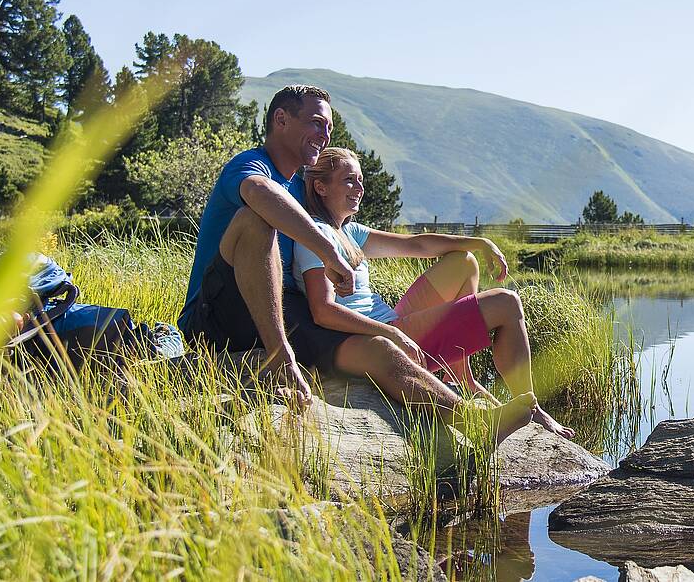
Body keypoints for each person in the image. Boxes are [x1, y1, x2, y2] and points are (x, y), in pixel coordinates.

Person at [177, 85, 534, 442]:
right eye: (317, 123)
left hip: (281, 310)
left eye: (329, 127)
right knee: (256, 219)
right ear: (281, 120)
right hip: (218, 313)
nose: (325, 135)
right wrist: (330, 253)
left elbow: (407, 242)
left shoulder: (301, 187)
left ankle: (475, 422)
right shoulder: (252, 167)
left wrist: (475, 243)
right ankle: (279, 357)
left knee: (380, 349)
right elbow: (259, 194)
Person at [293, 146, 575, 438]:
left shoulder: (349, 232)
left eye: (361, 180)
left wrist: (478, 243)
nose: (360, 188)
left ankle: (462, 376)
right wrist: (392, 333)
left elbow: (416, 245)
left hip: (393, 322)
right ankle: (532, 407)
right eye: (349, 179)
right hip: (377, 337)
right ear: (321, 186)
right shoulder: (315, 235)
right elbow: (323, 309)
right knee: (506, 302)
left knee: (463, 262)